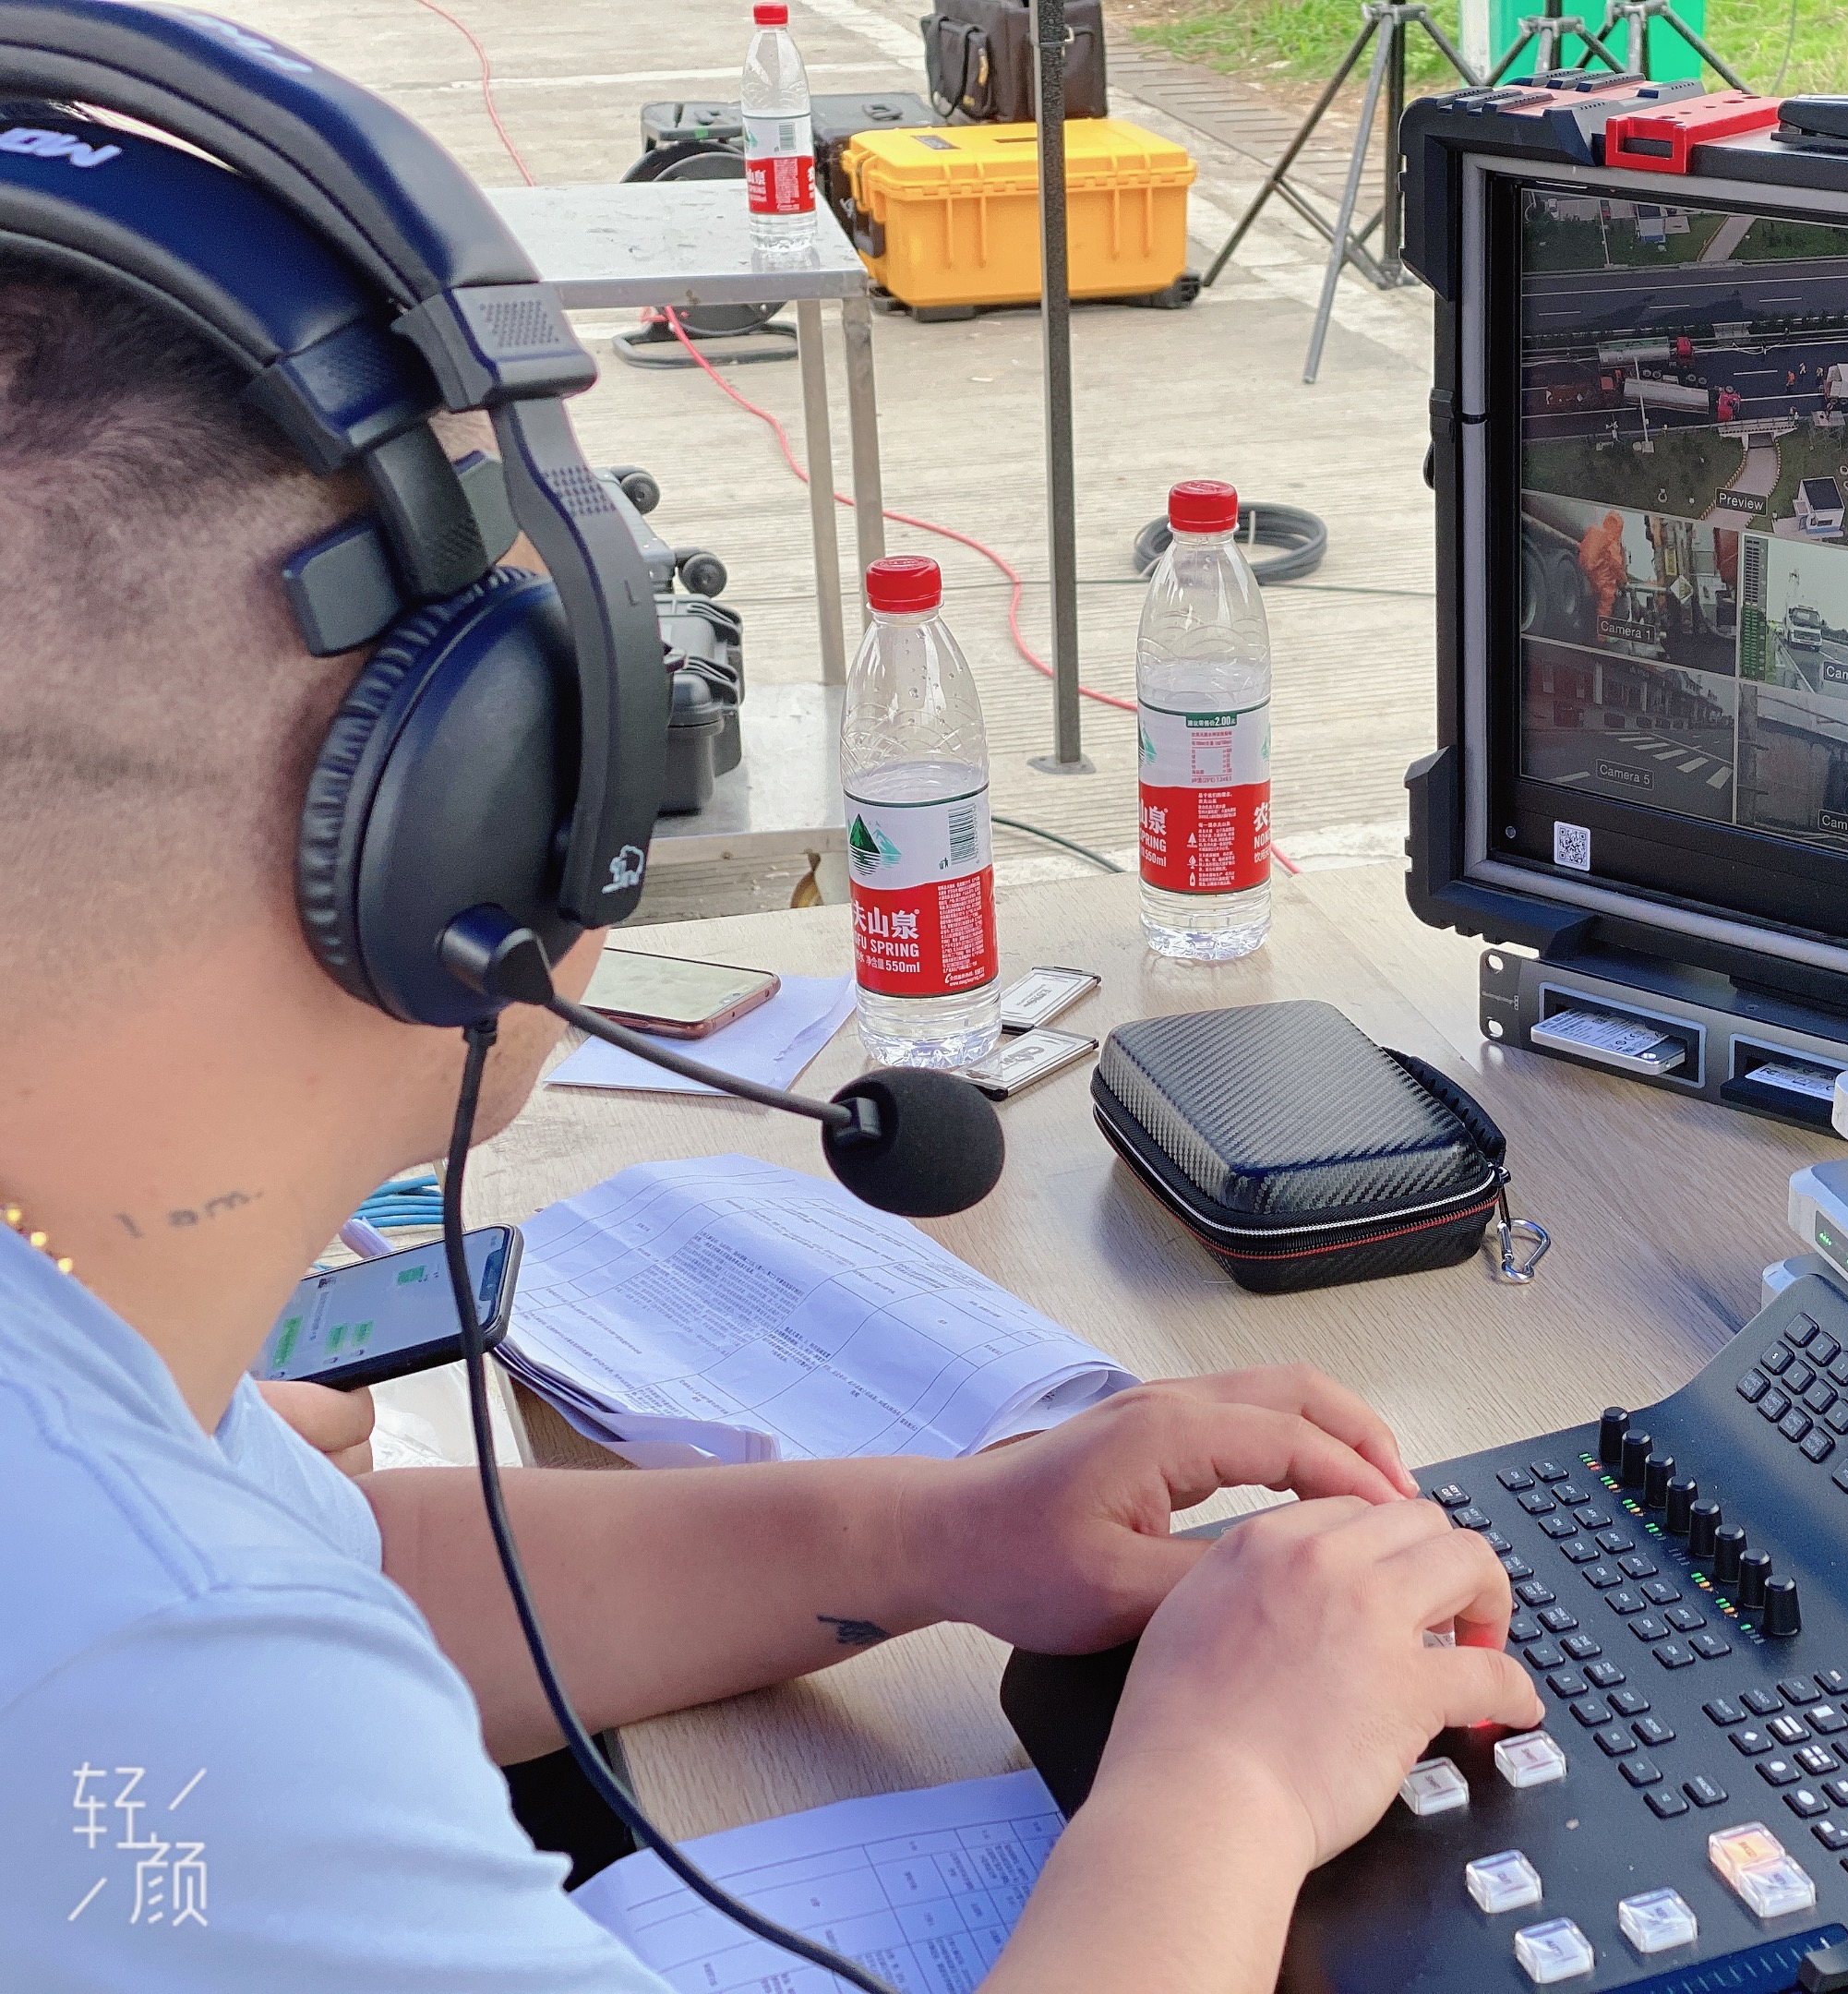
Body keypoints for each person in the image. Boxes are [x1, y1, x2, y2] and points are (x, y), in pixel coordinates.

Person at [0, 255, 1540, 1989]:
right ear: (452, 832)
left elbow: (358, 1575)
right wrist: (1228, 1783)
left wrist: (950, 1535)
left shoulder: (77, 1346)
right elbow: (222, 1645)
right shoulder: (130, 1652)